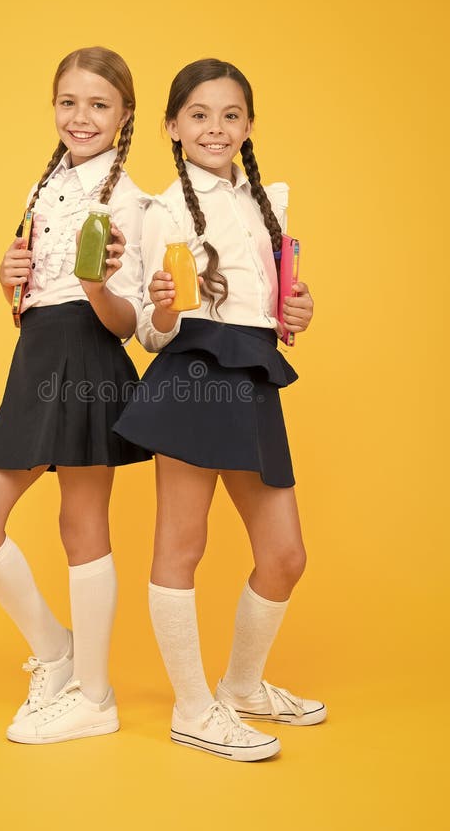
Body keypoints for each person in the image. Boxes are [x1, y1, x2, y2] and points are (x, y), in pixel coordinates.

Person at [114, 58, 325, 762]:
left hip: (253, 373)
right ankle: (191, 709)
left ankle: (239, 687)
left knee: (284, 555)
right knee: (182, 545)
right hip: (192, 374)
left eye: (229, 115)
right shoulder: (162, 208)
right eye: (198, 115)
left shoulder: (268, 203)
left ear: (248, 125)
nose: (215, 128)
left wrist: (295, 309)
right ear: (173, 126)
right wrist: (167, 312)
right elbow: (148, 329)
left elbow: (267, 304)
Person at [0, 46, 150, 746]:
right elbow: (31, 298)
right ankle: (60, 653)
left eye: (99, 104)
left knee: (81, 525)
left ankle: (93, 696)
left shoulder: (133, 201)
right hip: (36, 350)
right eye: (68, 101)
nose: (81, 116)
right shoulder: (42, 187)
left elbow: (134, 326)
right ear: (54, 106)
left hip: (86, 350)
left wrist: (98, 288)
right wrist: (7, 281)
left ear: (125, 115)